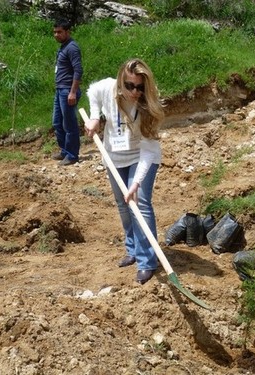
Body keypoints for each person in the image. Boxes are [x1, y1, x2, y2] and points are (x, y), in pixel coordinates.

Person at [84, 58, 165, 284]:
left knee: (139, 204)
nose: (135, 92)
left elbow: (149, 151)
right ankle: (133, 249)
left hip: (141, 157)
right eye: (130, 86)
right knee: (123, 205)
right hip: (113, 157)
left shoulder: (148, 104)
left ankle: (147, 261)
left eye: (140, 87)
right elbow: (92, 92)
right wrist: (94, 117)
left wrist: (136, 183)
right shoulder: (107, 88)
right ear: (121, 81)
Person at [52, 19, 83, 166]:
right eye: (55, 32)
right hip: (60, 90)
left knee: (69, 124)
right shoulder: (63, 47)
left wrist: (72, 92)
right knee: (57, 122)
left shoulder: (72, 47)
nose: (56, 35)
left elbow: (78, 70)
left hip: (67, 91)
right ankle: (64, 150)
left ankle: (72, 155)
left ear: (67, 32)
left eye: (59, 32)